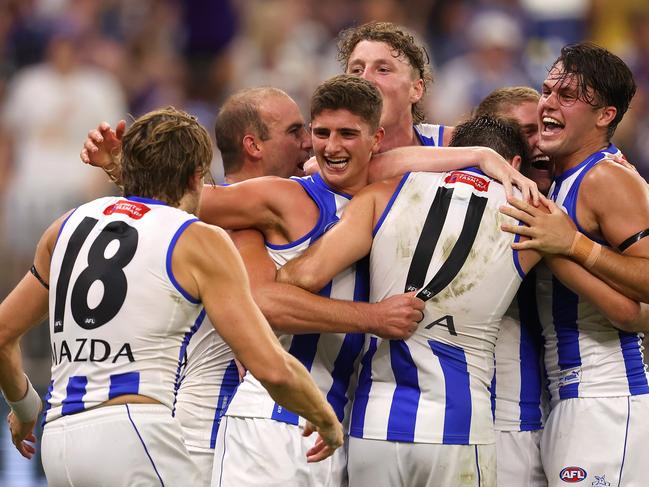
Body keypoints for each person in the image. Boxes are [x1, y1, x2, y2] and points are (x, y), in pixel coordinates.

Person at [81, 75, 536, 487]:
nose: (327, 147)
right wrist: (120, 169)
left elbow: (404, 162)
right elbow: (201, 213)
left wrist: (480, 155)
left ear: (375, 141)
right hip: (273, 421)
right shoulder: (287, 196)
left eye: (346, 135)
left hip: (330, 428)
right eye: (317, 133)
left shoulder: (387, 194)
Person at [277, 114, 645, 487]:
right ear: (514, 165)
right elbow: (626, 310)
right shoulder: (530, 217)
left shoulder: (382, 194)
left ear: (449, 155)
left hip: (374, 424)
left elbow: (297, 278)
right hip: (459, 424)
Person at [0, 107, 343, 486]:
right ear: (197, 176)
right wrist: (324, 418)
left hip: (60, 443)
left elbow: (2, 335)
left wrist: (25, 406)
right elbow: (270, 366)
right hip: (133, 434)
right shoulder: (196, 237)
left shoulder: (65, 226)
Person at [82, 86, 313, 486]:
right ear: (253, 145)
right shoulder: (214, 225)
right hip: (212, 427)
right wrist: (375, 318)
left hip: (202, 424)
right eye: (295, 131)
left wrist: (123, 170)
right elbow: (262, 304)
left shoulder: (191, 217)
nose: (309, 142)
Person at [500, 43, 649, 487]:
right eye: (547, 90)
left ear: (604, 115)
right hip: (571, 399)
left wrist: (575, 246)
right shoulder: (565, 178)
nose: (547, 102)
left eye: (567, 96)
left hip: (606, 400)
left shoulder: (607, 177)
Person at [476, 87, 550, 487]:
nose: (538, 144)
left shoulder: (561, 203)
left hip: (555, 416)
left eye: (542, 129)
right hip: (499, 421)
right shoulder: (494, 212)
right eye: (524, 132)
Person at [337, 21, 453, 152]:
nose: (365, 79)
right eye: (356, 70)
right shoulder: (325, 163)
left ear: (416, 89)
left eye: (383, 69)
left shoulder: (456, 143)